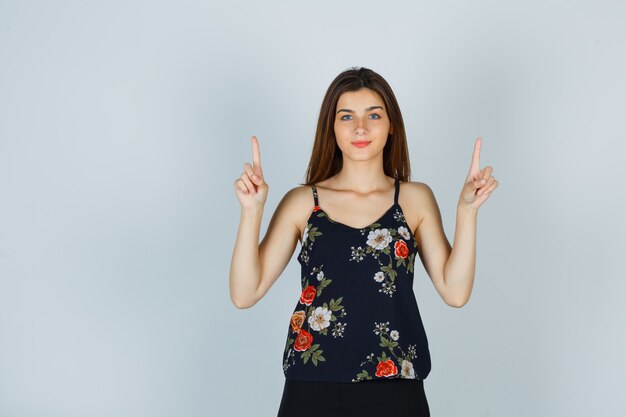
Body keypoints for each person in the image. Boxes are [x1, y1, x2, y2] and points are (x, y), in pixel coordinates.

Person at [229, 66, 499, 416]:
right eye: (347, 116)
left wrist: (467, 212)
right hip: (312, 386)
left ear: (391, 126)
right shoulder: (303, 202)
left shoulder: (414, 199)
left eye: (373, 114)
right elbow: (244, 294)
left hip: (396, 388)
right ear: (332, 128)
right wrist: (252, 211)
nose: (360, 127)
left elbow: (455, 292)